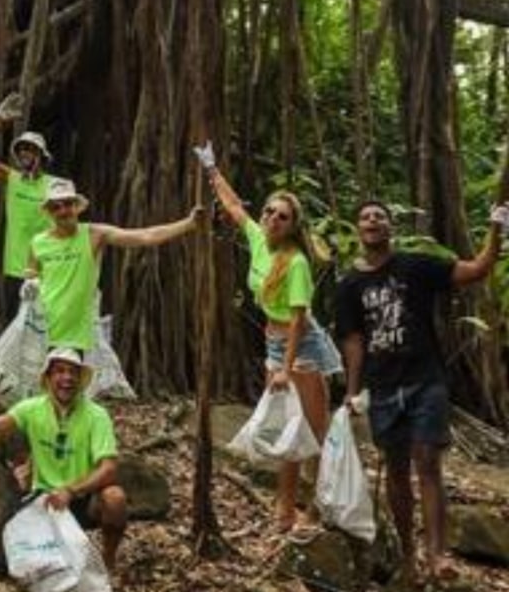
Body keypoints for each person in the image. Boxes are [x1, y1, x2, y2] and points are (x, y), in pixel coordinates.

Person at [336, 200, 506, 582]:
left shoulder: (416, 265)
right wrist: (352, 390)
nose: (372, 221)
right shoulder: (350, 285)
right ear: (358, 229)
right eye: (364, 217)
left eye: (379, 216)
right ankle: (410, 554)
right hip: (381, 387)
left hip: (425, 380)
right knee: (396, 472)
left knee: (427, 460)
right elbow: (353, 341)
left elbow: (476, 269)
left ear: (390, 227)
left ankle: (438, 553)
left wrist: (497, 226)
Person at [198, 143, 341, 537]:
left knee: (311, 432)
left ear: (293, 225)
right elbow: (233, 207)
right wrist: (212, 168)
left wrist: (284, 368)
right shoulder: (259, 239)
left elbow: (297, 319)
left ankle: (314, 507)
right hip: (274, 345)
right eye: (270, 212)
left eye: (282, 217)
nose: (272, 219)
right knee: (286, 431)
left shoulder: (295, 262)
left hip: (303, 349)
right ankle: (284, 510)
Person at [0, 348, 128, 571]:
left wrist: (71, 490)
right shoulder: (31, 408)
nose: (67, 378)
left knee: (115, 498)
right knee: (20, 564)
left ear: (81, 380)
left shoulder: (96, 415)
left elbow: (109, 468)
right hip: (44, 499)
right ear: (48, 378)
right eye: (60, 371)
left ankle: (108, 559)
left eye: (73, 372)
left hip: (81, 498)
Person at [28, 178, 201, 352]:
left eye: (67, 204)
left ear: (76, 206)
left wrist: (188, 224)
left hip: (80, 333)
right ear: (49, 212)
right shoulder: (38, 243)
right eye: (56, 207)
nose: (63, 210)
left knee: (78, 378)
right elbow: (32, 280)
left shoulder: (94, 234)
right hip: (43, 330)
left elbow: (145, 236)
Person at [0, 92, 54, 315]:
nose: (25, 152)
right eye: (21, 149)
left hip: (49, 269)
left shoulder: (56, 186)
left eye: (30, 148)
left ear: (42, 155)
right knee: (16, 334)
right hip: (17, 271)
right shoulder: (12, 180)